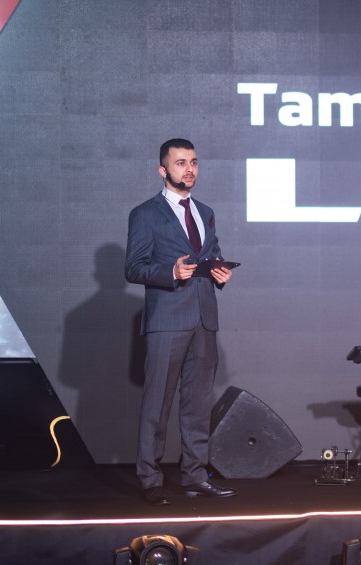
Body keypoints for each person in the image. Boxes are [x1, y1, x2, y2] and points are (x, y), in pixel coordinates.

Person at [125, 138, 236, 505]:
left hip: (204, 318)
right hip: (167, 319)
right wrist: (170, 272)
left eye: (193, 162)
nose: (189, 169)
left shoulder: (205, 211)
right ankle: (150, 480)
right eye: (180, 163)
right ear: (163, 170)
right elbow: (133, 268)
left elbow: (211, 254)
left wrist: (219, 272)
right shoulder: (146, 213)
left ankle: (195, 475)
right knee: (157, 404)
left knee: (198, 405)